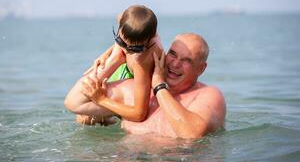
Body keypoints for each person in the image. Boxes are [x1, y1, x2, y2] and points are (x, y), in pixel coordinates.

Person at [65, 33, 226, 139]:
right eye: (173, 54)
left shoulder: (209, 95)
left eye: (186, 60)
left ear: (201, 68)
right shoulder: (135, 91)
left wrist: (159, 87)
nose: (175, 64)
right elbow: (75, 102)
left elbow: (191, 134)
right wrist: (115, 59)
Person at [64, 5, 162, 124]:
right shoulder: (127, 21)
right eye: (120, 41)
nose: (125, 50)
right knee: (83, 118)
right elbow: (123, 22)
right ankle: (113, 120)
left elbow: (139, 113)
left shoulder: (141, 61)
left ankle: (116, 115)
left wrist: (102, 99)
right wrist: (110, 51)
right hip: (125, 70)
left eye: (134, 49)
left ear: (148, 42)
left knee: (75, 102)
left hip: (136, 83)